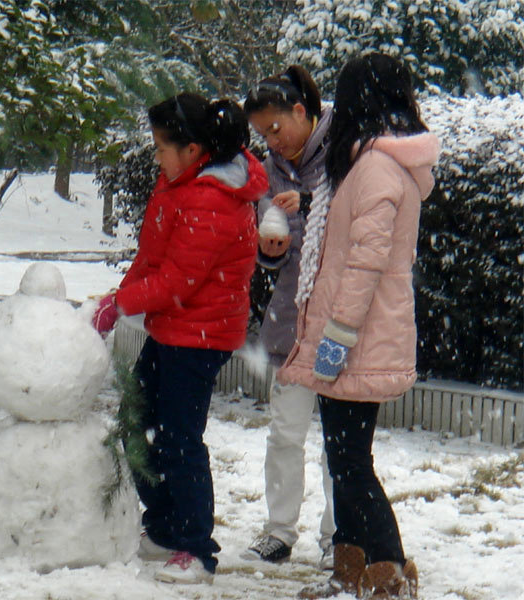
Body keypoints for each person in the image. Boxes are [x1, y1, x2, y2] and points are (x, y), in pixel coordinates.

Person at [277, 53, 439, 599]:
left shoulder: (375, 167)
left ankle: (389, 574)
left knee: (350, 461)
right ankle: (350, 571)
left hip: (358, 340)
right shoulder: (366, 161)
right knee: (344, 458)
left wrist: (336, 340)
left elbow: (364, 264)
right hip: (352, 338)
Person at [92, 92, 268, 584]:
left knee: (179, 441)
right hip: (172, 329)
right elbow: (153, 260)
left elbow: (177, 281)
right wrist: (119, 295)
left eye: (162, 147)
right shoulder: (179, 185)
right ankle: (166, 527)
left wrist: (123, 304)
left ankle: (196, 548)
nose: (156, 156)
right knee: (137, 426)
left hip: (199, 336)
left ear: (193, 150)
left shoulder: (212, 199)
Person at [240, 66, 336, 569]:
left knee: (338, 440)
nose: (271, 142)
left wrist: (313, 201)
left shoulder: (345, 150)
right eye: (262, 135)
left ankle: (337, 537)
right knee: (285, 431)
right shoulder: (270, 169)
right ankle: (279, 530)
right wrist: (271, 250)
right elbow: (275, 244)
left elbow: (353, 221)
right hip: (289, 321)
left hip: (340, 319)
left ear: (301, 111)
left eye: (275, 129)